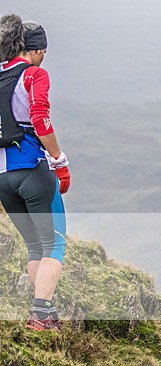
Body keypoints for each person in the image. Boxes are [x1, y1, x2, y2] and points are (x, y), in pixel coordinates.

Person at [0, 15, 71, 330]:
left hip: (2, 176)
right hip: (31, 168)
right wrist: (59, 159)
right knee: (54, 242)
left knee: (33, 244)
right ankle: (40, 314)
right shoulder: (33, 74)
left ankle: (47, 311)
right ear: (38, 50)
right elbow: (40, 118)